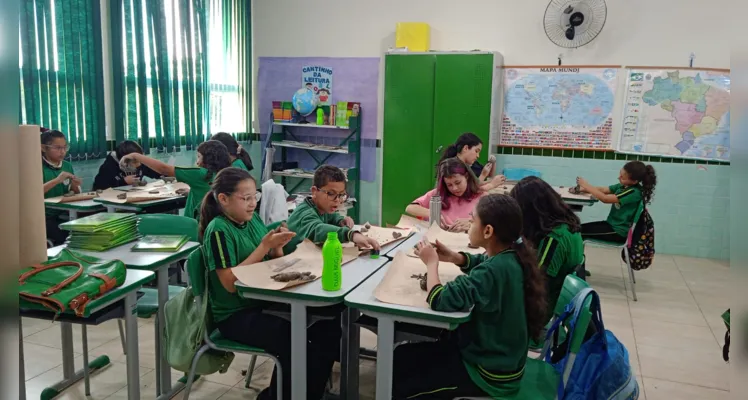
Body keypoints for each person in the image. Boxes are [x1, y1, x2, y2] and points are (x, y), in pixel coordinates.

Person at [199, 167, 341, 400]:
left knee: (327, 325)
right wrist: (264, 246)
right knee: (292, 338)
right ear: (223, 199)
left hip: (261, 300)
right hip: (234, 314)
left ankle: (309, 393)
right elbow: (230, 284)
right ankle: (280, 396)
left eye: (254, 197)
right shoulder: (218, 231)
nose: (252, 204)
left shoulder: (252, 220)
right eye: (245, 198)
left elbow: (270, 264)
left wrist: (276, 246)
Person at [394, 194, 547, 399]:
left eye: (472, 221)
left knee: (403, 387)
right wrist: (455, 257)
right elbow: (482, 262)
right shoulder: (512, 255)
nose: (468, 226)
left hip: (488, 374)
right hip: (498, 359)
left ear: (488, 231)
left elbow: (440, 299)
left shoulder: (494, 270)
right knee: (400, 357)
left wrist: (432, 264)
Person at [510, 176, 584, 317]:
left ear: (530, 212)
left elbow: (536, 282)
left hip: (542, 309)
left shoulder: (554, 239)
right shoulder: (566, 224)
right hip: (552, 299)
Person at [120, 140, 231, 220]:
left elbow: (164, 169)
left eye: (199, 157)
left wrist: (136, 155)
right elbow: (207, 191)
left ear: (208, 159)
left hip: (195, 225)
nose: (197, 161)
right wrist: (192, 192)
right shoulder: (224, 173)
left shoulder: (200, 173)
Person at [283, 164, 380, 254]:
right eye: (330, 193)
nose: (337, 200)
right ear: (314, 191)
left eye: (341, 194)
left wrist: (341, 220)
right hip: (285, 263)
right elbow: (318, 229)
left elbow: (331, 216)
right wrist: (351, 235)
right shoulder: (305, 213)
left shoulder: (322, 207)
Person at [576, 161, 657, 243]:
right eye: (620, 174)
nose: (618, 178)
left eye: (623, 178)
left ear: (634, 181)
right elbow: (604, 190)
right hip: (610, 224)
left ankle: (575, 255)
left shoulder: (634, 192)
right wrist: (583, 189)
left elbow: (605, 199)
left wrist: (586, 185)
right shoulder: (624, 186)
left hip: (618, 232)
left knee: (577, 232)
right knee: (577, 229)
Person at [406, 157, 484, 232]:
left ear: (466, 176)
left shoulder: (481, 197)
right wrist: (434, 214)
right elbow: (410, 208)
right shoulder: (437, 194)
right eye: (449, 185)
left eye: (458, 183)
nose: (454, 188)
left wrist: (472, 223)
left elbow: (491, 225)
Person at [41, 129, 81, 245]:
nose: (62, 152)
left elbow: (75, 193)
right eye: (57, 148)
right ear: (44, 148)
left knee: (86, 230)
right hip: (45, 217)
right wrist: (58, 180)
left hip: (64, 213)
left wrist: (75, 185)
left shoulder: (67, 165)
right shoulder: (37, 166)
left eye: (65, 147)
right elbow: (33, 193)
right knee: (68, 238)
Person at [92, 140, 161, 190]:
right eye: (135, 162)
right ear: (123, 160)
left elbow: (157, 172)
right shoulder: (108, 167)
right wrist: (123, 181)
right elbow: (100, 187)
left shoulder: (138, 161)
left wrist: (165, 176)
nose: (139, 164)